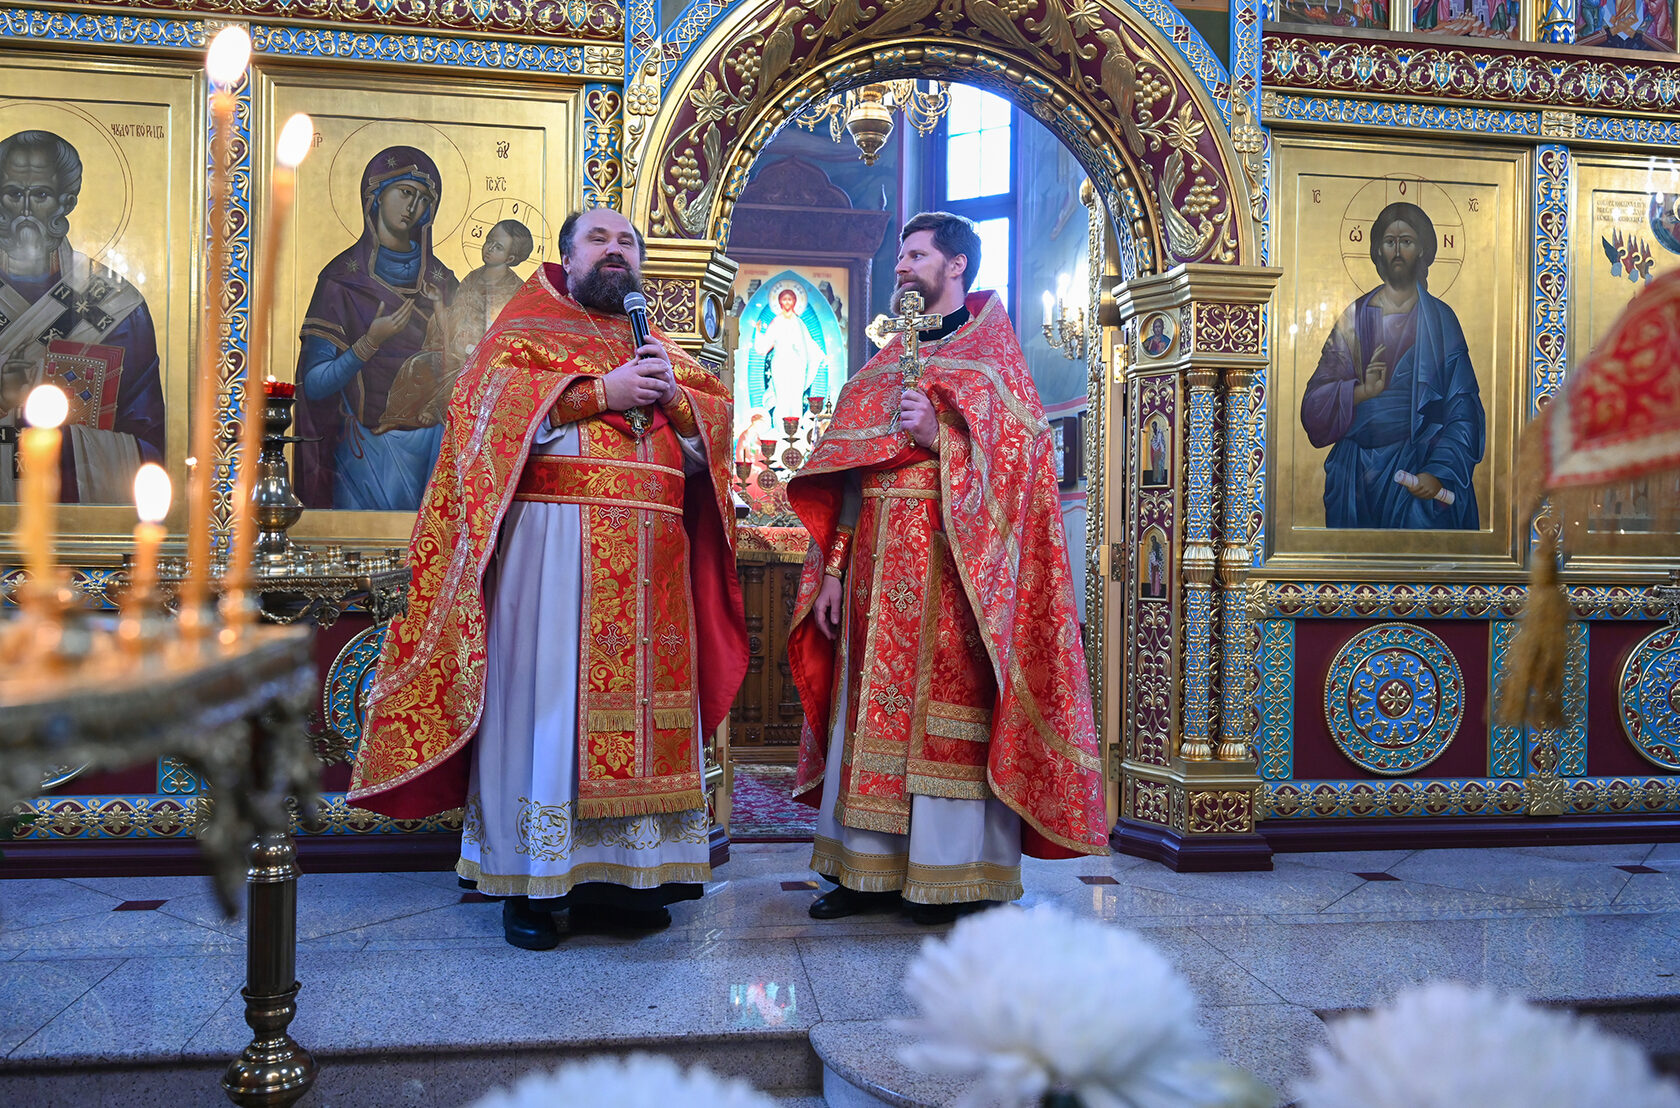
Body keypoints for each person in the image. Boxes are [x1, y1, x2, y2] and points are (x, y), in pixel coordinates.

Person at [348, 207, 748, 951]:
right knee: (546, 711)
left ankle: (631, 876)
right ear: (568, 256)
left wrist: (678, 401)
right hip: (554, 555)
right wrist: (600, 394)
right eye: (599, 239)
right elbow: (481, 419)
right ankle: (528, 878)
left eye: (627, 242)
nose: (616, 250)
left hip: (653, 567)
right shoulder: (524, 332)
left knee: (643, 716)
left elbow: (713, 447)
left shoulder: (659, 348)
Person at [784, 211, 1107, 926]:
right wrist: (833, 569)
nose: (901, 265)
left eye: (916, 254)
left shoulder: (992, 358)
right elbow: (847, 481)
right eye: (900, 255)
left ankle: (951, 872)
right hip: (873, 575)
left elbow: (1025, 469)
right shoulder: (881, 365)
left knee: (945, 719)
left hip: (957, 576)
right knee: (868, 716)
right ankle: (862, 871)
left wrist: (943, 439)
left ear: (956, 265)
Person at [0, 129, 165, 503]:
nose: (25, 211)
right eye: (13, 194)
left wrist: (60, 439)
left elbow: (150, 447)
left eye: (40, 195)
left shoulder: (118, 308)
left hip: (75, 511)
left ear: (66, 202)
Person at [1300, 201, 1484, 529]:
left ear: (1423, 250)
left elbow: (1463, 409)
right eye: (1389, 242)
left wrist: (1439, 472)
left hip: (1418, 468)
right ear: (1377, 251)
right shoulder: (1354, 319)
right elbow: (1314, 405)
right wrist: (1361, 392)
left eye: (1407, 241)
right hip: (1355, 476)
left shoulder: (1442, 321)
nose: (1397, 251)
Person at [293, 146, 459, 511]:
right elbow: (315, 384)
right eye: (405, 192)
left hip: (434, 449)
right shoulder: (340, 281)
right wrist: (369, 343)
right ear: (376, 194)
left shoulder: (442, 283)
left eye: (423, 198)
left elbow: (468, 368)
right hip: (364, 454)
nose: (413, 207)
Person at [446, 218, 532, 374]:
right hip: (459, 350)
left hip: (494, 362)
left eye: (498, 247)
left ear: (510, 258)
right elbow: (456, 313)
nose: (489, 248)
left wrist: (474, 347)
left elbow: (514, 335)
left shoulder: (517, 289)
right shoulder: (472, 278)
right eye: (489, 241)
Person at [752, 285, 825, 425]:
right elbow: (765, 345)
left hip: (797, 364)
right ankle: (781, 429)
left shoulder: (799, 323)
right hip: (780, 364)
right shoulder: (777, 322)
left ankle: (795, 429)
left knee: (796, 397)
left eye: (789, 299)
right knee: (782, 396)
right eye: (784, 299)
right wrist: (759, 333)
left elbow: (809, 343)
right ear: (780, 302)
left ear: (794, 302)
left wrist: (821, 355)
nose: (787, 302)